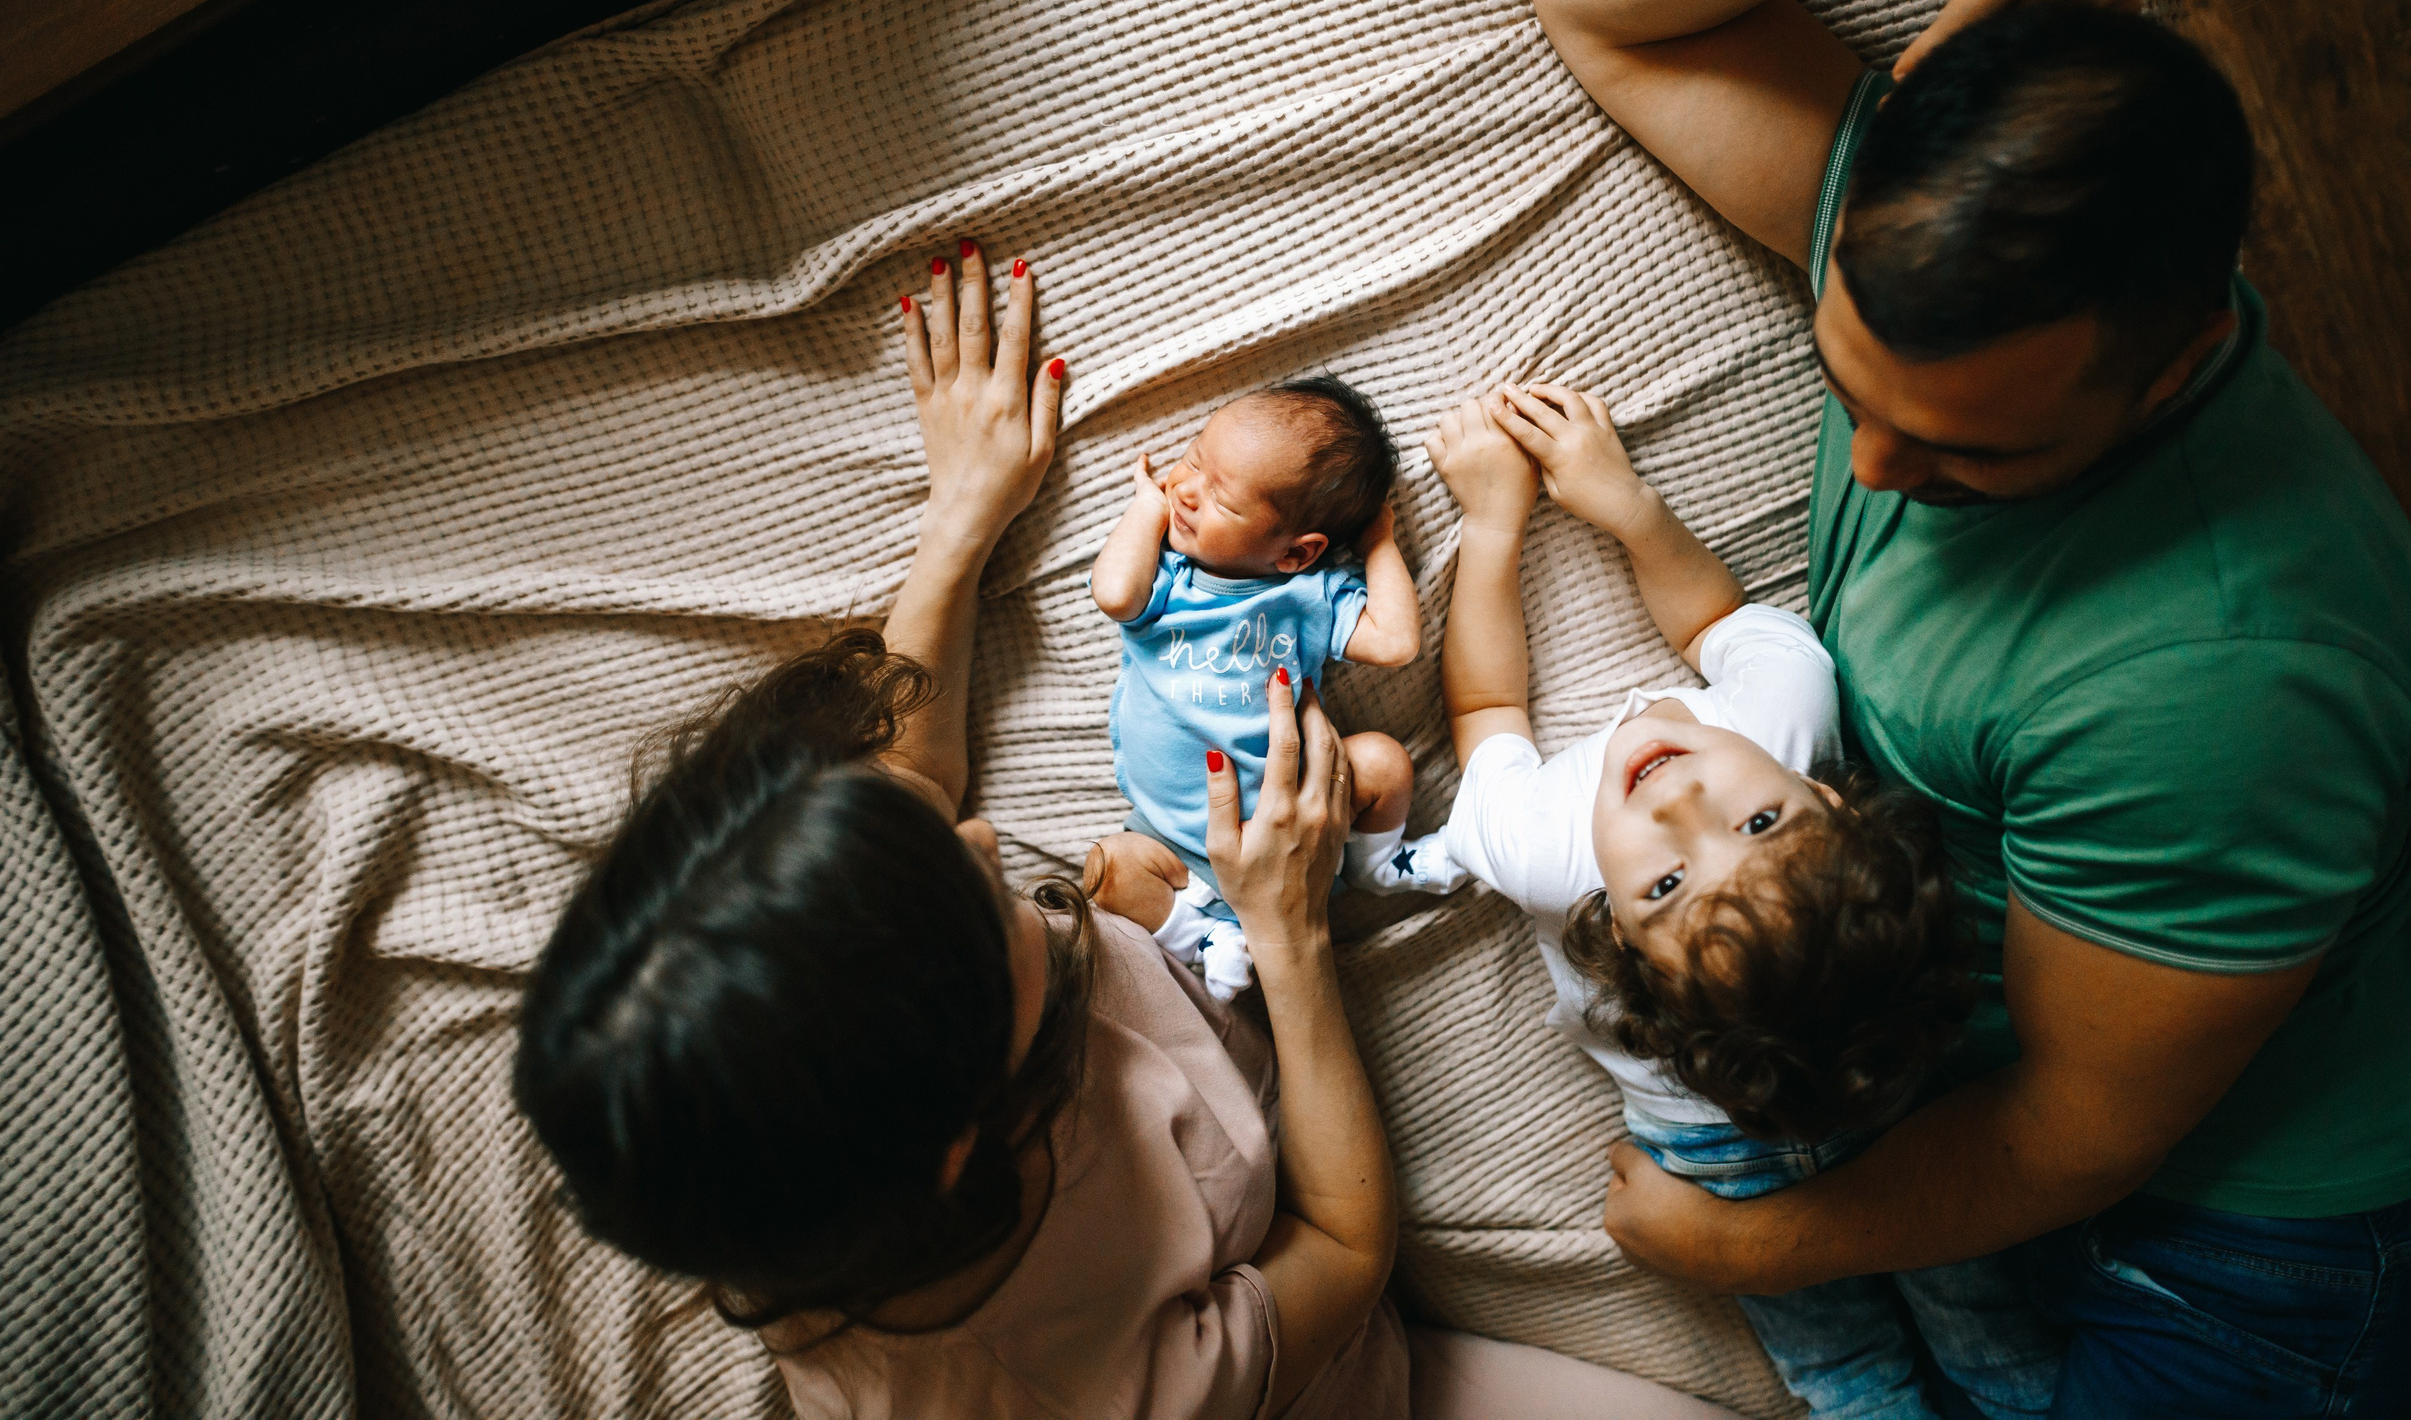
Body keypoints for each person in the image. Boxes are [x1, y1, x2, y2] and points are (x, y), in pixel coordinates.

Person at [1522, 0, 2411, 1416]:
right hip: (1981, 1156)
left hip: (2260, 1258)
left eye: (1975, 453)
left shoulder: (2226, 680)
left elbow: (2076, 1130)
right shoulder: (1934, 255)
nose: (1887, 471)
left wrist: (1759, 1244)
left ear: (2170, 373)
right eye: (1851, 391)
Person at [510, 242, 1736, 1420]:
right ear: (961, 1135)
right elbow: (1347, 1247)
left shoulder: (772, 1106)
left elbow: (908, 776)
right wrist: (1292, 933)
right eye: (987, 907)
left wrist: (964, 515)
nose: (988, 838)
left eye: (937, 839)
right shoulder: (1088, 1385)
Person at [1415, 381, 2060, 1420]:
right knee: (1992, 1331)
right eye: (1756, 826)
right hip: (1895, 1105)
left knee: (1848, 1374)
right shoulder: (1788, 721)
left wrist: (1495, 524)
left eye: (1665, 883)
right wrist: (1624, 505)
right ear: (1824, 798)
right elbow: (1717, 618)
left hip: (1712, 1153)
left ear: (1617, 933)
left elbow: (1487, 706)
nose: (1680, 804)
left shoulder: (1546, 850)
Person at [1083, 374, 1431, 1001]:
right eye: (1192, 460)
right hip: (1173, 845)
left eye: (1222, 500)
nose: (1185, 491)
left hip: (1301, 821)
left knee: (1384, 762)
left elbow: (1396, 643)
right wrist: (1145, 507)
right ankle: (1205, 937)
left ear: (1296, 553)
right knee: (1107, 868)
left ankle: (1377, 864)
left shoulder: (1308, 595)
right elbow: (1113, 594)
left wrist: (1381, 540)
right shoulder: (1167, 578)